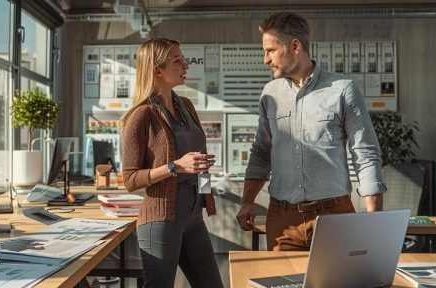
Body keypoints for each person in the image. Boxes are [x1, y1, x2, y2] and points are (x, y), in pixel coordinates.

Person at [236, 12, 386, 251]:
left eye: (270, 51)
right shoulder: (270, 94)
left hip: (334, 218)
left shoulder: (343, 90)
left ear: (295, 46)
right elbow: (262, 152)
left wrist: (374, 216)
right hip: (283, 221)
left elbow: (365, 153)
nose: (265, 60)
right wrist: (247, 201)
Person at [121, 38, 223, 288]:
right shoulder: (141, 115)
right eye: (177, 61)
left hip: (193, 214)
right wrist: (174, 166)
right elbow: (130, 180)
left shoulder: (185, 105)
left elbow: (200, 157)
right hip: (162, 219)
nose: (185, 65)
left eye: (182, 59)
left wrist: (206, 197)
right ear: (157, 70)